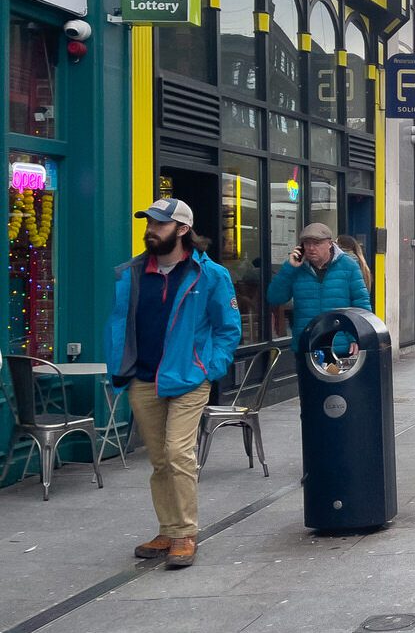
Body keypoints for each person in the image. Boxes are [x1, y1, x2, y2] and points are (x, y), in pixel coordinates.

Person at [105, 199, 241, 568]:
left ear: (182, 229)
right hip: (143, 377)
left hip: (188, 377)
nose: (151, 230)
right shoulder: (132, 272)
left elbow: (228, 329)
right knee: (160, 459)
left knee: (179, 453)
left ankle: (184, 534)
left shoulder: (209, 275)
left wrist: (209, 368)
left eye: (160, 224)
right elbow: (121, 323)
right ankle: (167, 528)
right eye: (149, 223)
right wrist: (121, 366)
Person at [266, 223, 372, 356]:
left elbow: (361, 304)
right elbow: (274, 297)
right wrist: (289, 268)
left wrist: (357, 337)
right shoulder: (296, 269)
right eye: (306, 243)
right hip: (307, 346)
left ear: (329, 243)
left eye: (316, 243)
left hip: (340, 347)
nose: (311, 248)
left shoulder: (348, 266)